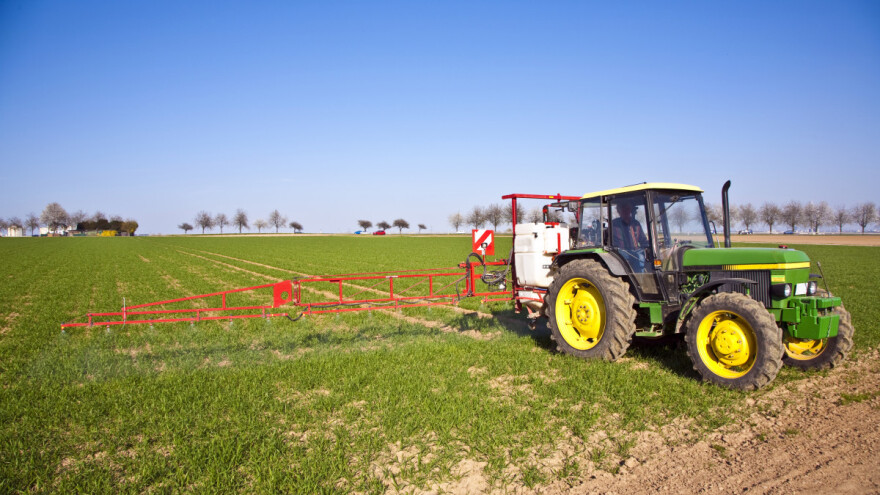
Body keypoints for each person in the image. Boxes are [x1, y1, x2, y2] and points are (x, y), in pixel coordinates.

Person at [611, 200, 649, 270]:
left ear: (630, 210)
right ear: (619, 211)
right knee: (639, 257)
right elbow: (609, 241)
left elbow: (643, 239)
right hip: (621, 251)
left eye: (627, 209)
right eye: (623, 209)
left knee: (651, 255)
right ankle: (640, 279)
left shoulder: (636, 224)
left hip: (636, 250)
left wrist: (649, 247)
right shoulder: (614, 224)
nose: (625, 211)